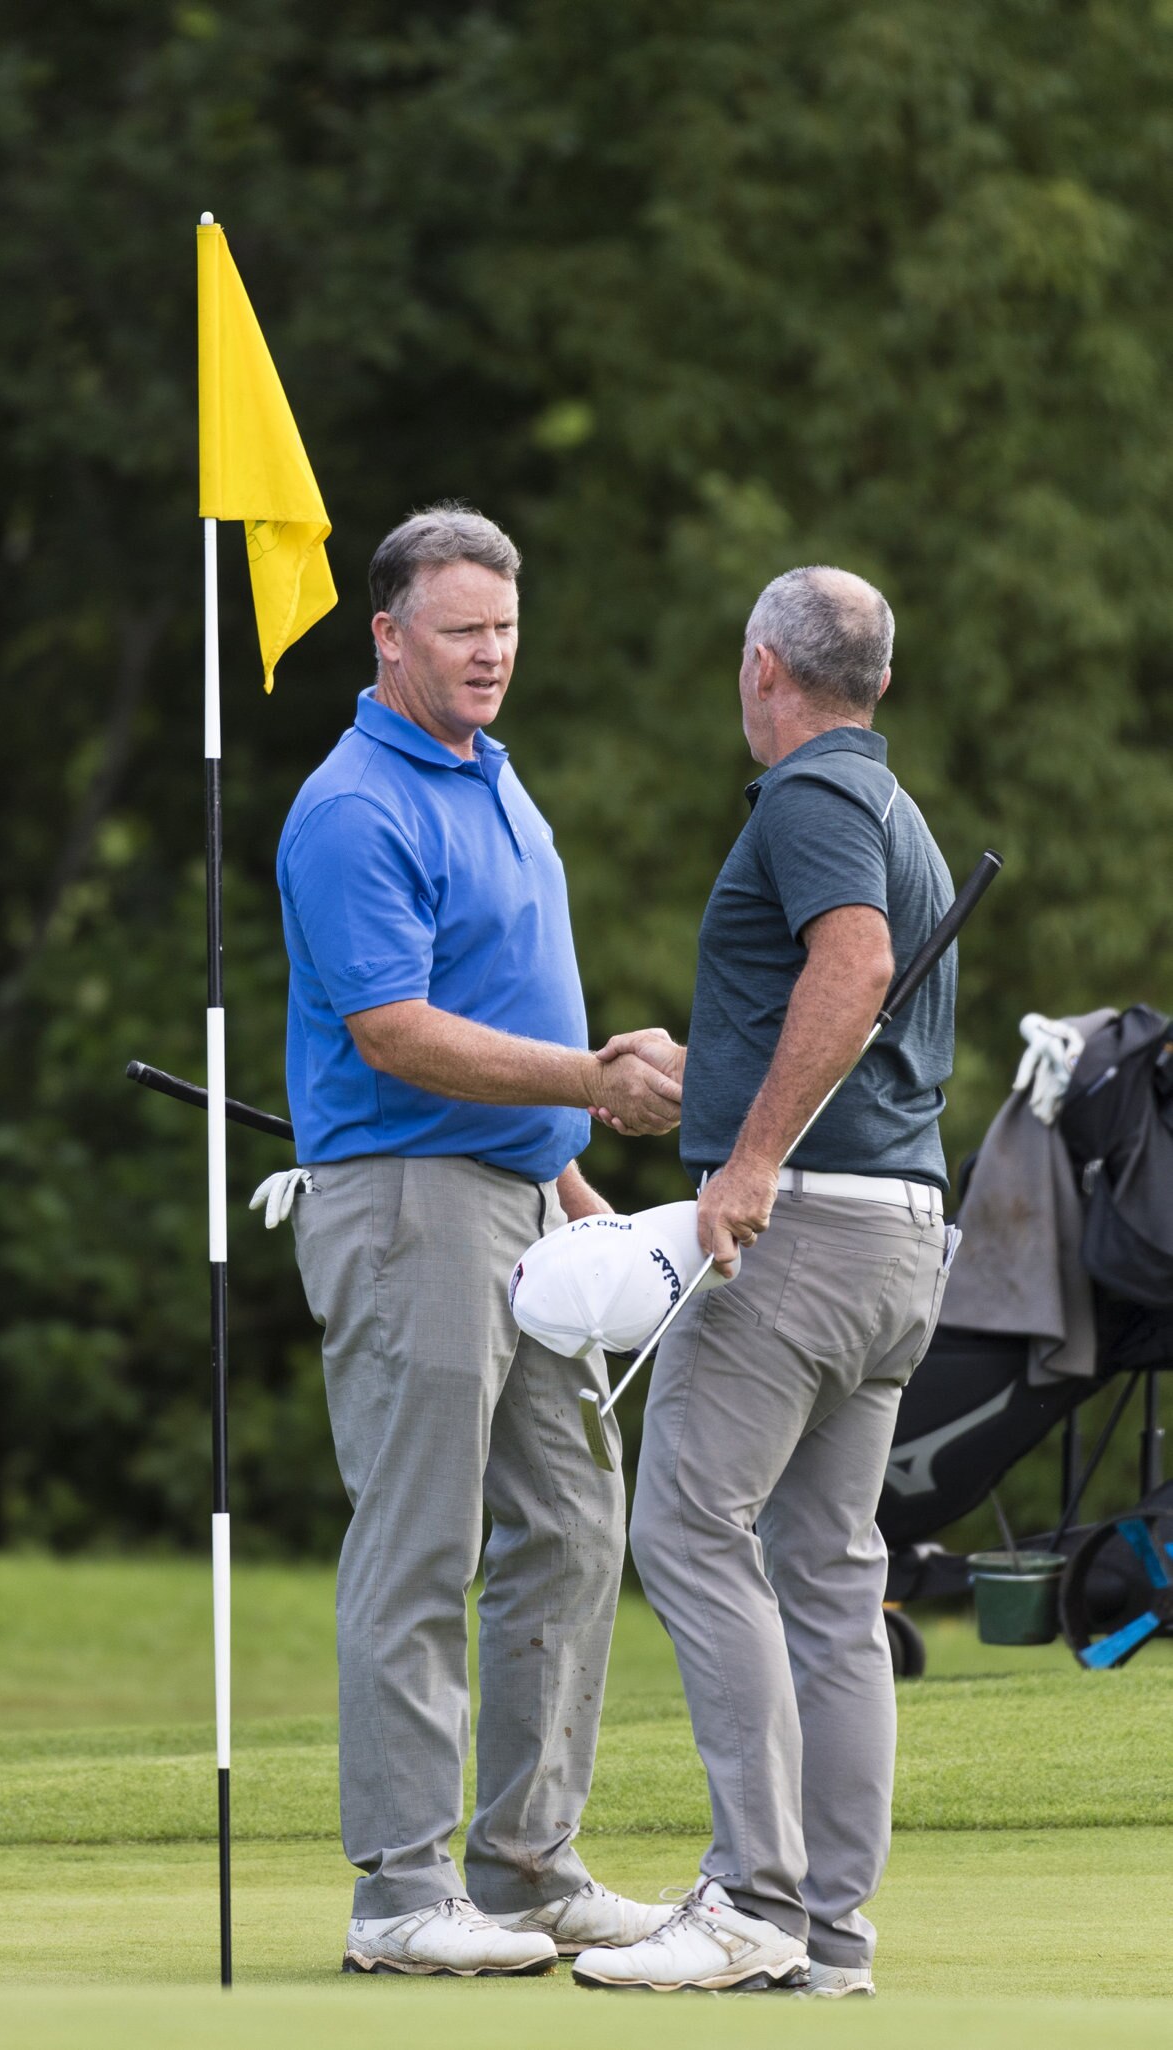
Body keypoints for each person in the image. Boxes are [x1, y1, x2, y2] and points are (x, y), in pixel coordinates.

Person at [276, 503, 678, 1978]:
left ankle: (523, 1866)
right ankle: (399, 1890)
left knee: (574, 1524)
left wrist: (573, 1178)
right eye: (460, 629)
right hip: (403, 1203)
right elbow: (392, 1032)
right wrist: (589, 1084)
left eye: (504, 627)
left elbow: (510, 990)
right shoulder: (350, 805)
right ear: (388, 636)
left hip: (521, 1202)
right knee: (420, 1539)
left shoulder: (493, 779)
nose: (491, 651)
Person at [573, 566, 956, 1999]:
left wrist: (741, 1159)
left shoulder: (805, 800)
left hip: (793, 1233)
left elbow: (849, 968)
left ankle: (750, 1893)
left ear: (760, 670)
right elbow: (838, 998)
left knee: (682, 1523)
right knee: (827, 1574)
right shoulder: (890, 808)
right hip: (897, 1230)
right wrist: (712, 1083)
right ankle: (826, 1932)